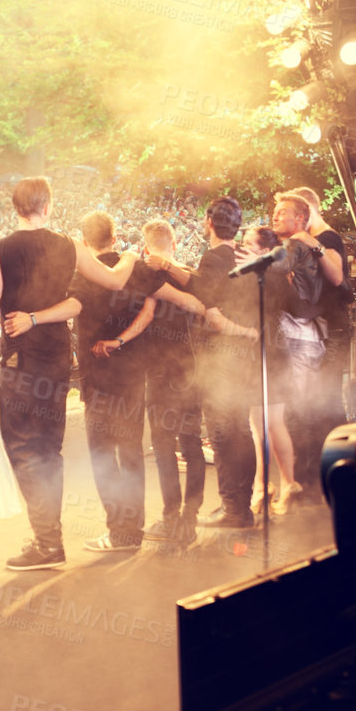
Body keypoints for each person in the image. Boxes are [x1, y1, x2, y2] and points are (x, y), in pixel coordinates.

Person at [0, 176, 138, 571]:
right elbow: (103, 286)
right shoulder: (70, 246)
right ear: (49, 205)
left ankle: (47, 543)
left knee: (25, 450)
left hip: (21, 363)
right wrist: (129, 256)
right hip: (58, 360)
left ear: (15, 207)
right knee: (47, 449)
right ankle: (48, 539)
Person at [149, 196, 259, 530]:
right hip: (243, 358)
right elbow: (203, 283)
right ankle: (242, 506)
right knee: (241, 429)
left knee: (224, 433)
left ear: (209, 223)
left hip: (222, 357)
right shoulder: (241, 255)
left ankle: (234, 510)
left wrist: (166, 268)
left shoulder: (212, 257)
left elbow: (205, 302)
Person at [67, 212, 166, 553]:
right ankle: (133, 530)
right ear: (113, 237)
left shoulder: (80, 275)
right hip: (132, 375)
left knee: (103, 456)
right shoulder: (135, 269)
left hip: (97, 379)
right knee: (132, 452)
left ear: (84, 239)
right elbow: (156, 307)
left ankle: (118, 531)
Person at [137, 217, 206, 546]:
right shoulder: (188, 275)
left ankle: (170, 518)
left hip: (160, 373)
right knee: (191, 444)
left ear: (146, 246)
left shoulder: (147, 275)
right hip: (190, 370)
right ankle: (190, 518)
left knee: (164, 448)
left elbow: (143, 317)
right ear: (174, 242)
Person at [280, 187, 350, 506]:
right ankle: (322, 479)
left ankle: (334, 477)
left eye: (288, 212)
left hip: (333, 330)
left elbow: (336, 278)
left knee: (325, 405)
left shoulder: (326, 237)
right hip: (323, 329)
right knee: (315, 404)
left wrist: (316, 245)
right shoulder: (303, 242)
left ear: (306, 210)